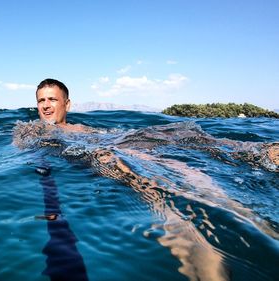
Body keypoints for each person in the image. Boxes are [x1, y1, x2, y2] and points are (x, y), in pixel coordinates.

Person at [14, 78, 278, 281]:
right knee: (149, 175)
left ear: (67, 104)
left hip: (122, 143)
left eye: (52, 99)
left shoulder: (74, 129)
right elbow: (20, 144)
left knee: (203, 151)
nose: (46, 105)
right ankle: (212, 239)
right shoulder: (30, 128)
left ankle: (260, 164)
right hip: (111, 149)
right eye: (41, 101)